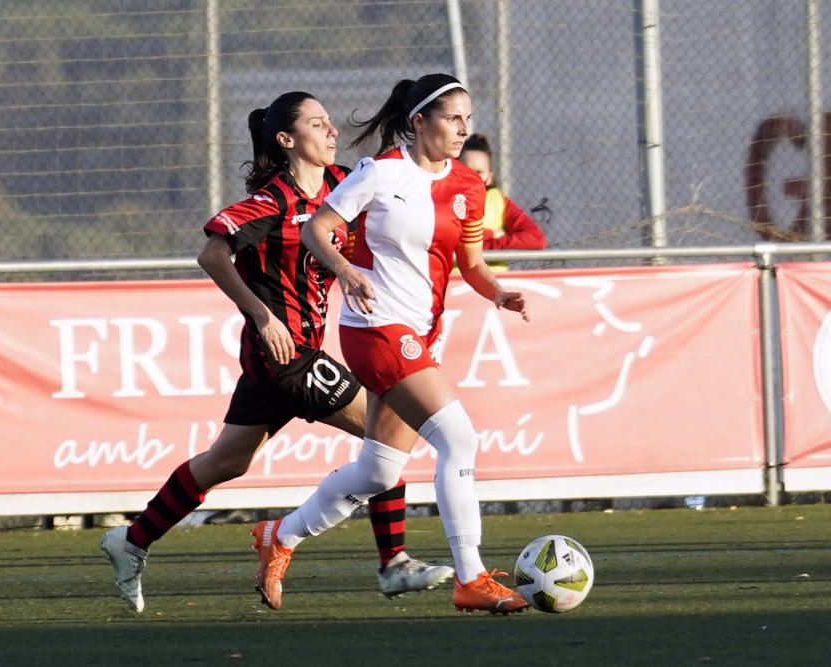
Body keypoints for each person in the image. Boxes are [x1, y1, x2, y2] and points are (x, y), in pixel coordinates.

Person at [100, 91, 453, 613]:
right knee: (383, 435)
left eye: (330, 122)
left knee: (227, 461)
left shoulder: (339, 187)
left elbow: (390, 185)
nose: (332, 131)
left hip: (292, 355)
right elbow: (212, 253)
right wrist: (261, 316)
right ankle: (393, 562)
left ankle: (131, 540)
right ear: (287, 140)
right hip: (283, 357)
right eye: (318, 123)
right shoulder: (272, 202)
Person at [251, 74, 531, 615]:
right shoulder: (378, 173)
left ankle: (279, 536)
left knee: (379, 470)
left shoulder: (470, 187)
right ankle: (470, 578)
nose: (463, 129)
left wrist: (499, 293)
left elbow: (469, 264)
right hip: (374, 330)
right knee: (460, 440)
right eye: (453, 119)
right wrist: (345, 272)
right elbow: (317, 230)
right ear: (419, 121)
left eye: (468, 120)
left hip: (421, 335)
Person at [457, 133, 546, 269]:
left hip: (495, 284)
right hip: (453, 285)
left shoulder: (498, 200)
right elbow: (448, 239)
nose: (472, 177)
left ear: (490, 177)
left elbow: (536, 240)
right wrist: (492, 234)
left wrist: (486, 247)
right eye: (466, 170)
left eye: (479, 172)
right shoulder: (442, 199)